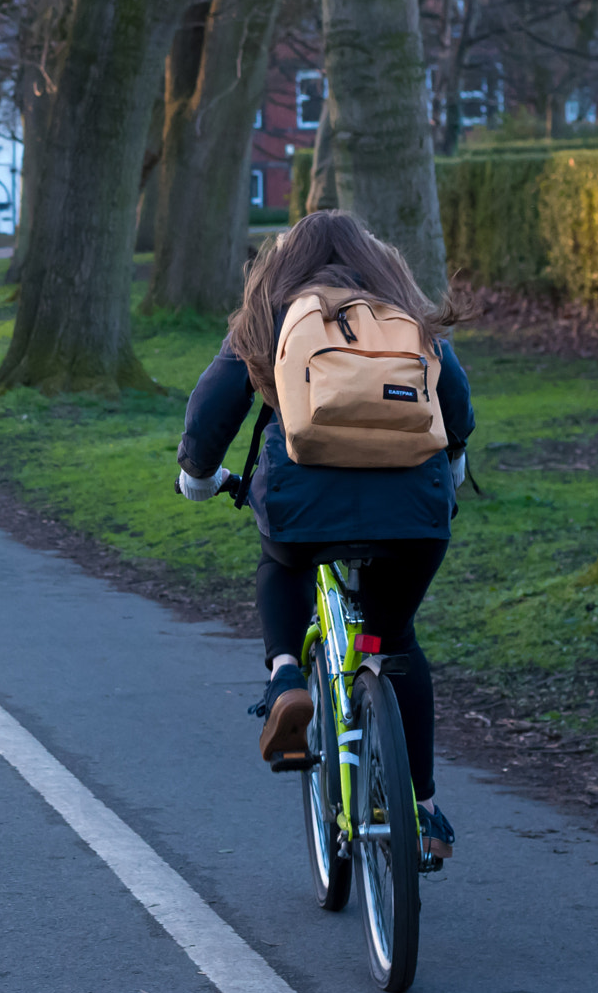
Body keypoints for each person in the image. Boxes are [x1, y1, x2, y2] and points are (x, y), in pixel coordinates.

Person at [175, 210, 472, 861]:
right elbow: (458, 408)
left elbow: (209, 417)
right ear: (376, 257)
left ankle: (286, 677)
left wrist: (198, 477)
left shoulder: (270, 314)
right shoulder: (401, 311)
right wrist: (450, 471)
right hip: (413, 512)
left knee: (280, 560)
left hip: (304, 503)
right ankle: (420, 809)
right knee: (393, 640)